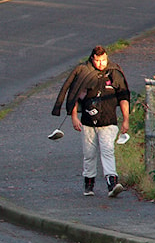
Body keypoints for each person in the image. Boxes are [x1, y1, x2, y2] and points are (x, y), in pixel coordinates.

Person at [52, 45, 131, 197]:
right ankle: (89, 184)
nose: (101, 63)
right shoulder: (84, 73)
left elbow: (124, 98)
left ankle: (112, 184)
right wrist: (74, 117)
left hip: (108, 121)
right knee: (89, 154)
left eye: (103, 60)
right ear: (92, 59)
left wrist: (126, 120)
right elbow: (74, 95)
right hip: (87, 122)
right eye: (97, 60)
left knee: (108, 151)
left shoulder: (114, 73)